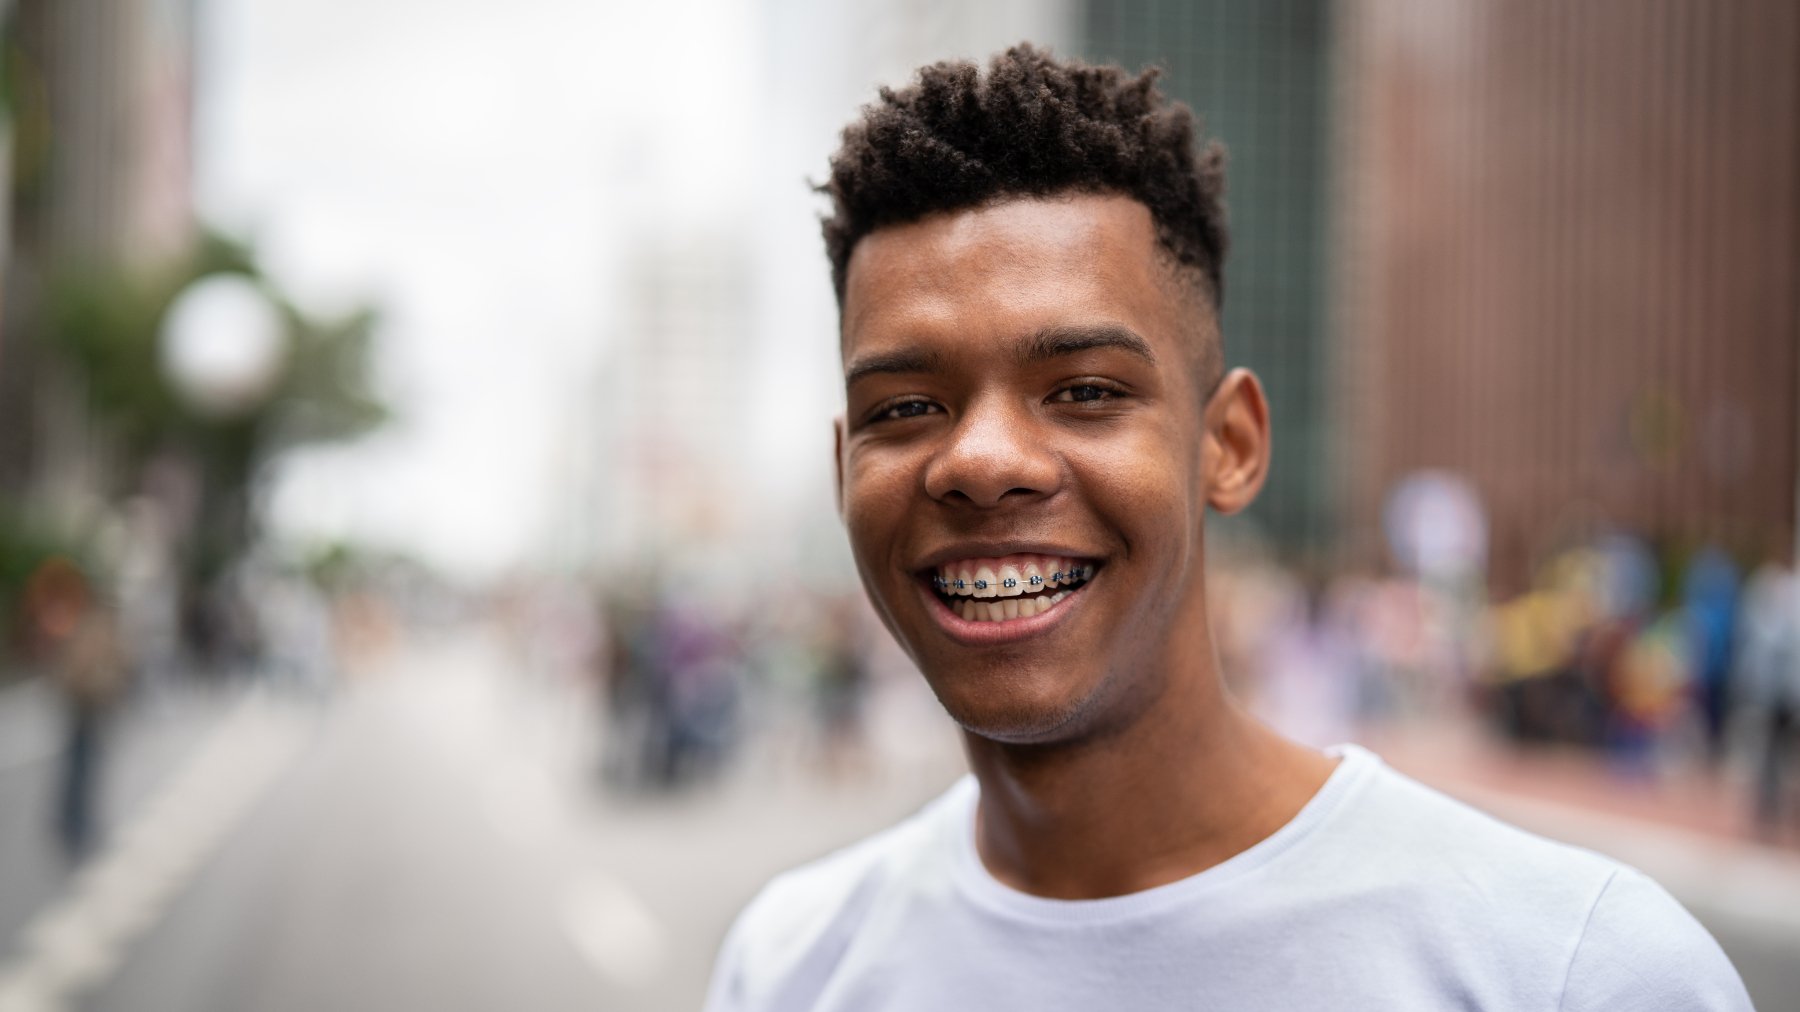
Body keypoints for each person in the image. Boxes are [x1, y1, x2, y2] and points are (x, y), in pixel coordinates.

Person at [705, 44, 1750, 1010]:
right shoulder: (791, 964)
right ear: (845, 467)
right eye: (905, 407)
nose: (981, 463)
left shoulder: (1574, 971)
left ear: (1231, 444)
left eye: (1083, 390)